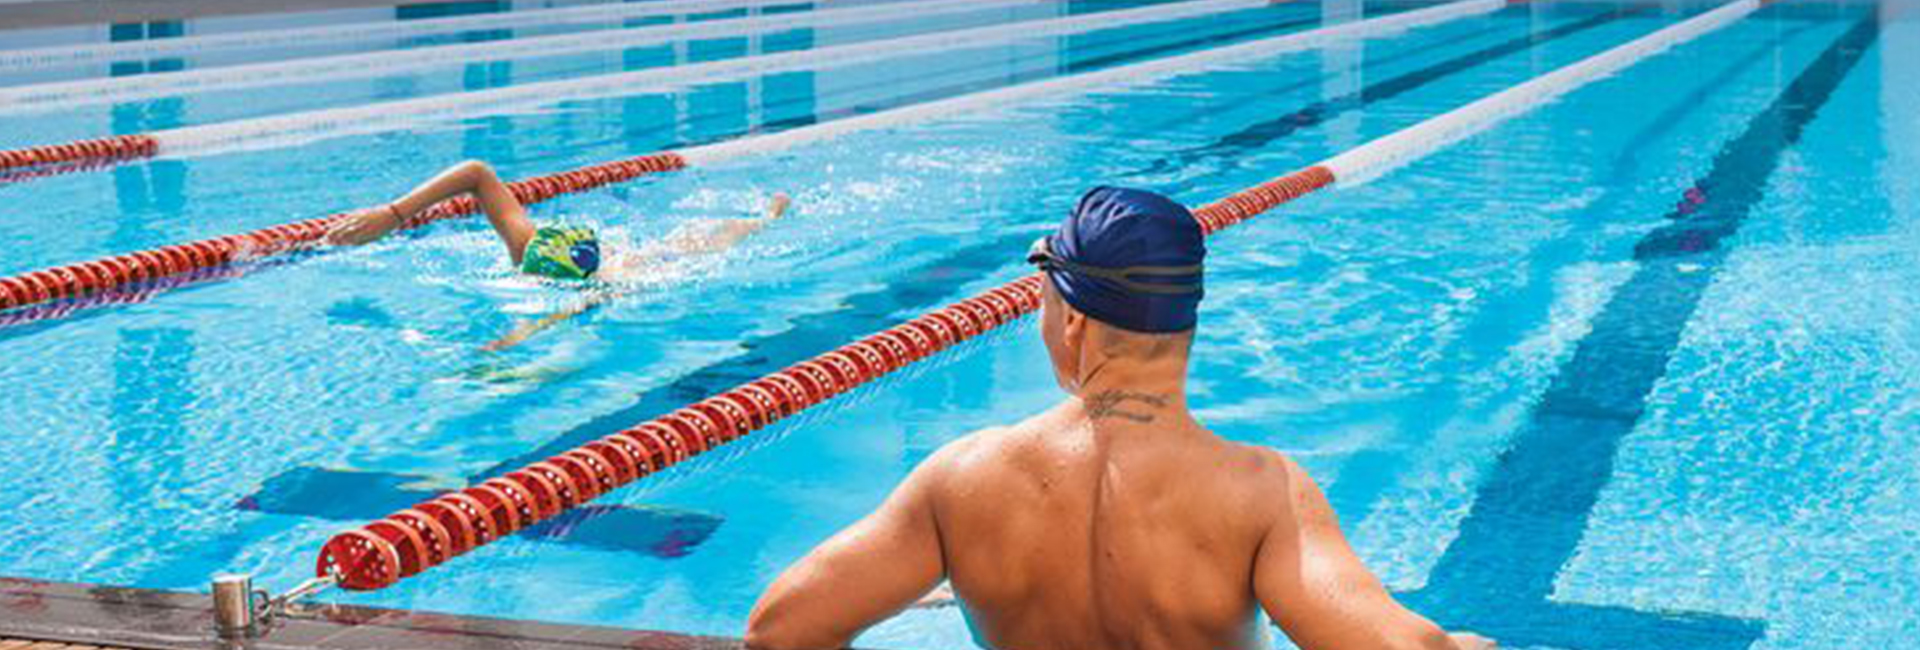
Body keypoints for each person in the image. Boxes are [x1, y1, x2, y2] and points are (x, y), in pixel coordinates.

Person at [745, 187, 1493, 650]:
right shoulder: (1259, 492)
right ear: (1185, 320)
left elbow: (783, 630)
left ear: (1071, 321)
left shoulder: (962, 481)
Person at [326, 160, 790, 350]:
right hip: (594, 261)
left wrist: (509, 342)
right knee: (687, 240)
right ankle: (766, 215)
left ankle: (768, 216)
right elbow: (477, 172)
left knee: (696, 244)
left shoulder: (604, 285)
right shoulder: (527, 247)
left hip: (630, 273)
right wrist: (393, 214)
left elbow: (553, 318)